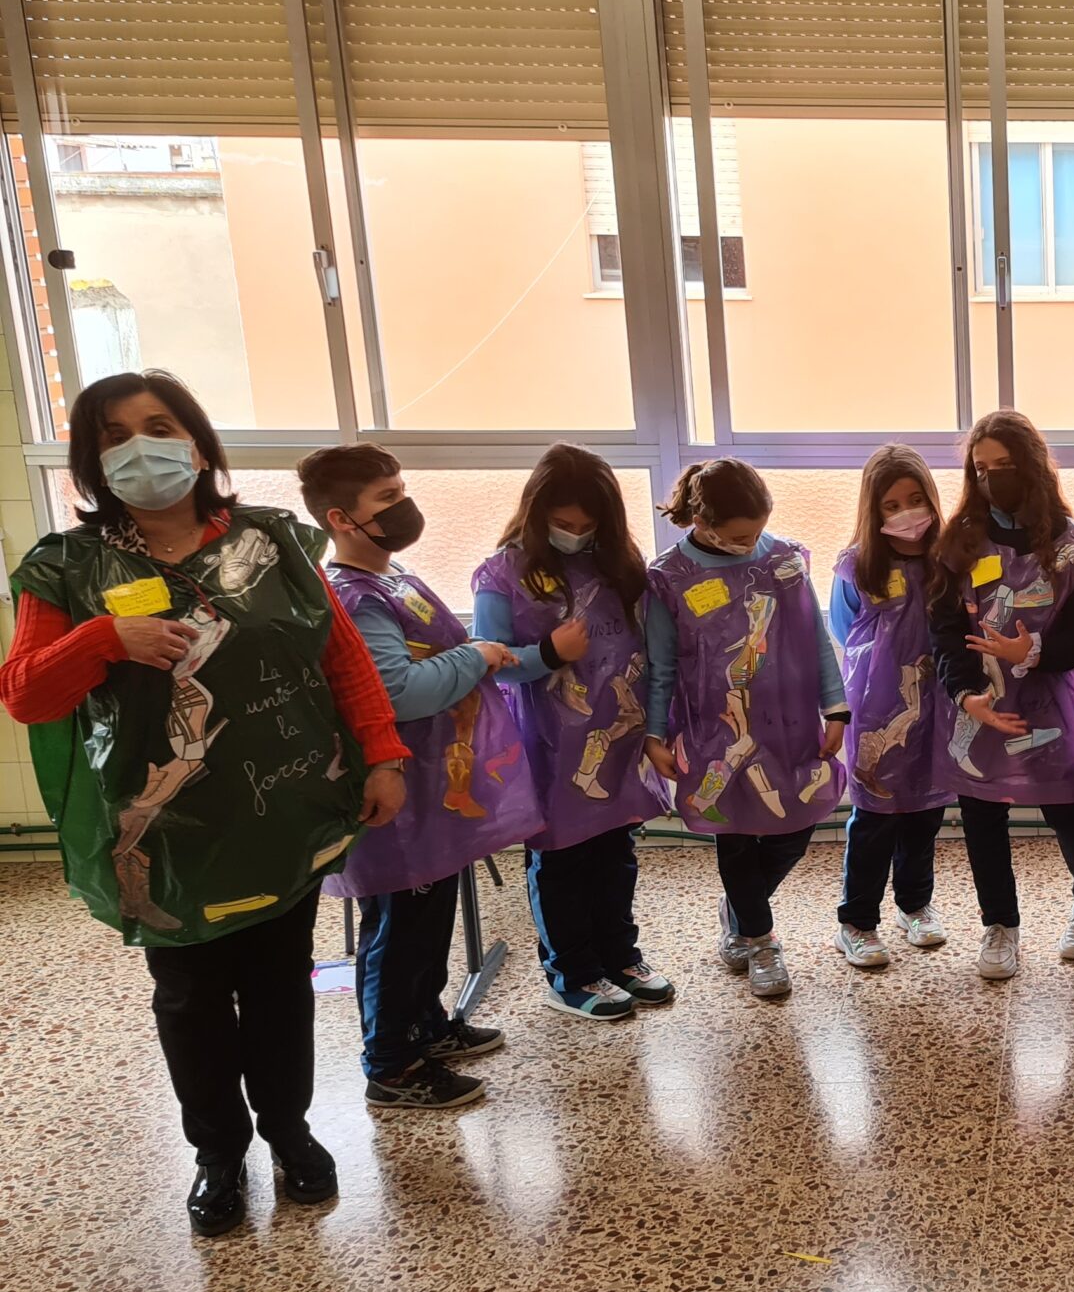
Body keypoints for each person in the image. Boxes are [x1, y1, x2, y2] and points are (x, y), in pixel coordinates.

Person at [2, 371, 406, 1236]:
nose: (140, 448)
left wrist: (382, 754)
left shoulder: (273, 542)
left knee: (279, 984)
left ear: (196, 441)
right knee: (188, 997)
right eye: (114, 436)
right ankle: (218, 1154)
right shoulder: (67, 566)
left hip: (282, 809)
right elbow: (27, 694)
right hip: (161, 835)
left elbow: (342, 658)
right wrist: (104, 638)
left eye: (158, 426)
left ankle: (290, 1131)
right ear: (92, 460)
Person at [303, 443, 544, 1112]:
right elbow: (400, 692)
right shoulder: (355, 598)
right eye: (387, 498)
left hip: (432, 788)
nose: (404, 505)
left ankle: (427, 1026)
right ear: (340, 518)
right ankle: (392, 1064)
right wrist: (477, 655)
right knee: (400, 929)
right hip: (396, 795)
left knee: (428, 917)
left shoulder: (394, 576)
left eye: (401, 490)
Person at [473, 444, 671, 1023]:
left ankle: (620, 956)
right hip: (549, 744)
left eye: (588, 526)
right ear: (537, 513)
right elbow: (491, 661)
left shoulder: (618, 565)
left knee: (616, 852)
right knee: (561, 859)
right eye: (563, 524)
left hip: (617, 735)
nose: (576, 535)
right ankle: (572, 974)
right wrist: (547, 652)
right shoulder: (502, 573)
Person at [642, 459, 847, 1001]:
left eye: (758, 531)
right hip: (714, 727)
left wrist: (836, 708)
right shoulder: (668, 577)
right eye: (738, 536)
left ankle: (738, 907)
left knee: (796, 822)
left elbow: (815, 636)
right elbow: (661, 664)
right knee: (733, 834)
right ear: (702, 522)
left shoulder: (783, 561)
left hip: (790, 720)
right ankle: (760, 940)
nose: (750, 544)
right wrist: (654, 734)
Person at [929, 411, 1074, 984]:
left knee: (1066, 807)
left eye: (1004, 465)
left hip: (1053, 697)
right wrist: (967, 694)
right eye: (981, 468)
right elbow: (945, 630)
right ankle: (999, 925)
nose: (992, 479)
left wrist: (1030, 652)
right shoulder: (959, 543)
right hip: (982, 700)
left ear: (1031, 466)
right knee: (981, 811)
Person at [829, 445, 955, 971]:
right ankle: (857, 921)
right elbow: (844, 630)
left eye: (915, 499)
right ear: (873, 510)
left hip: (939, 704)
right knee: (875, 817)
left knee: (926, 811)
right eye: (892, 505)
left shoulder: (949, 559)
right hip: (878, 706)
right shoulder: (857, 565)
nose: (906, 513)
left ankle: (915, 904)